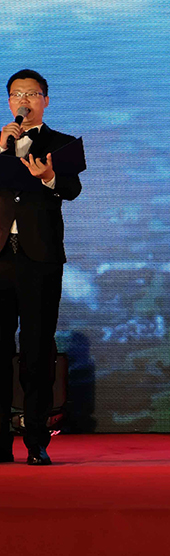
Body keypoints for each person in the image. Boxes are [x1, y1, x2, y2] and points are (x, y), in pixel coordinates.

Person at [0, 69, 83, 465]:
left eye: (31, 94)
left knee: (36, 351)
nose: (23, 101)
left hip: (41, 259)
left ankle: (36, 441)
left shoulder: (61, 143)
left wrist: (49, 177)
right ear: (8, 102)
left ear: (45, 100)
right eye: (17, 94)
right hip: (0, 256)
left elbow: (72, 188)